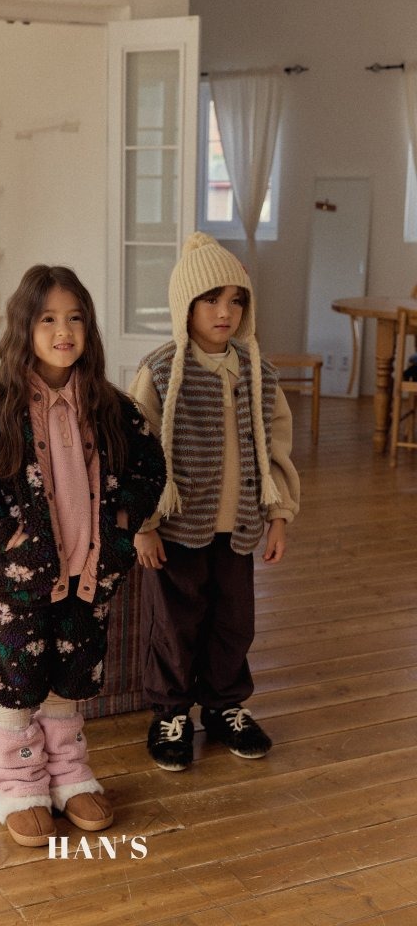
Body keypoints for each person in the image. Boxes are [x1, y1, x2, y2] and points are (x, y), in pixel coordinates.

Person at [0, 264, 165, 847]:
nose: (64, 331)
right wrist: (1, 536)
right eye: (48, 319)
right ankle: (19, 784)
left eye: (75, 318)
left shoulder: (110, 407)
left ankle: (69, 774)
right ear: (24, 329)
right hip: (19, 582)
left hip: (88, 574)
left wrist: (121, 525)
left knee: (70, 676)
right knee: (17, 682)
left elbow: (148, 466)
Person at [129, 233, 300, 772]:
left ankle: (225, 706)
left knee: (234, 621)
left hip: (239, 526)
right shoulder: (160, 371)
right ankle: (171, 713)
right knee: (174, 624)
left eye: (236, 300)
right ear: (185, 305)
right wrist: (143, 524)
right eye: (211, 300)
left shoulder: (258, 371)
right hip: (177, 528)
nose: (225, 312)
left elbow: (276, 446)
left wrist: (278, 515)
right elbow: (137, 453)